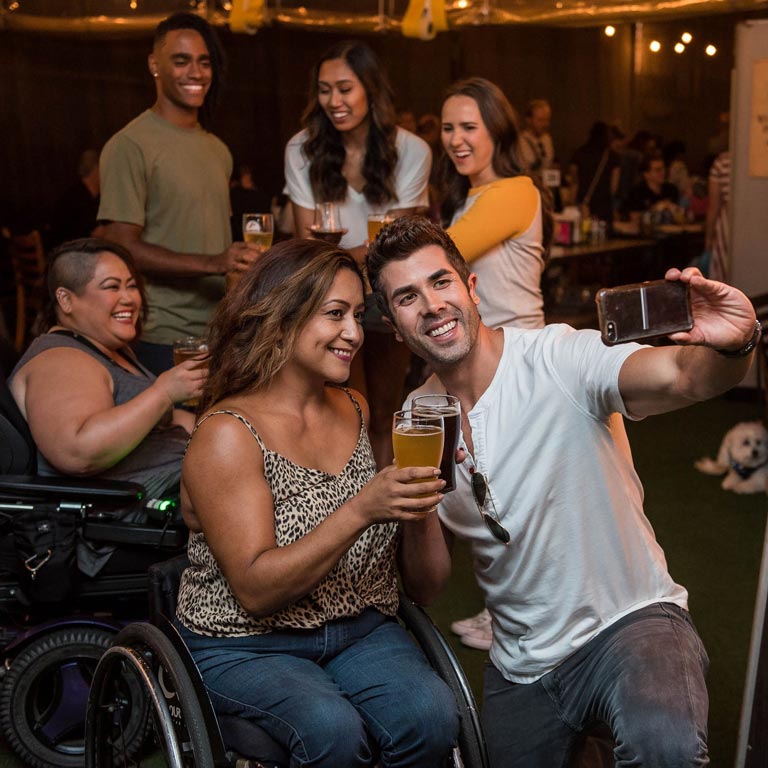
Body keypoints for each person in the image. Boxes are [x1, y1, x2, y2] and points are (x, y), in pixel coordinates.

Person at [367, 215, 760, 767]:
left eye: (440, 282)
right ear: (392, 321)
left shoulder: (557, 358)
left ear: (470, 287)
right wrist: (417, 505)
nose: (431, 305)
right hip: (523, 664)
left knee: (664, 747)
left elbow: (684, 376)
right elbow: (428, 585)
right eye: (407, 297)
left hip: (631, 622)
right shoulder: (416, 420)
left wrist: (735, 343)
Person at [176, 238, 458, 767]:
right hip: (247, 643)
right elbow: (256, 591)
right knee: (329, 728)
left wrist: (418, 509)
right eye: (334, 314)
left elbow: (427, 586)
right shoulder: (227, 434)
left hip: (360, 627)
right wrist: (362, 508)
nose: (354, 332)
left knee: (432, 714)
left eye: (357, 313)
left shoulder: (354, 406)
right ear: (283, 318)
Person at [8, 238, 205, 574]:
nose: (129, 298)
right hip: (122, 528)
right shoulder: (60, 358)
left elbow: (172, 422)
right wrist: (162, 391)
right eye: (111, 286)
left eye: (131, 285)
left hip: (171, 501)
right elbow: (77, 450)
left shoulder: (108, 350)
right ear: (66, 299)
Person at [284, 39, 431, 468]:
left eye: (345, 88)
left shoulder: (411, 150)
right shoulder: (302, 148)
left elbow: (397, 244)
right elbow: (305, 244)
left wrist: (342, 253)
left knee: (384, 414)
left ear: (370, 89)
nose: (333, 101)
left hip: (385, 296)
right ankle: (351, 512)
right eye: (324, 89)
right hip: (326, 298)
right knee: (347, 411)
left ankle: (389, 525)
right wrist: (355, 255)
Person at [98, 12, 260, 375]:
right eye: (181, 61)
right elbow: (121, 245)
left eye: (204, 62)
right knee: (176, 432)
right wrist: (214, 262)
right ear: (155, 65)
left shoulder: (217, 148)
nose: (196, 73)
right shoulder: (130, 144)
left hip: (223, 327)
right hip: (164, 335)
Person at [438, 77, 548, 331]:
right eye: (448, 128)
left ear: (497, 131)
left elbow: (436, 259)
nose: (455, 140)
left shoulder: (513, 191)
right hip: (484, 347)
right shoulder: (467, 194)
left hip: (517, 347)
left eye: (468, 127)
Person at [47, 149, 104, 248]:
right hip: (71, 255)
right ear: (97, 169)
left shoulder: (86, 195)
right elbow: (95, 234)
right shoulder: (77, 198)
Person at [568, 120, 620, 227]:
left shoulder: (578, 153)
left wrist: (571, 203)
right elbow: (613, 187)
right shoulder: (612, 156)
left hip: (582, 203)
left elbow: (574, 182)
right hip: (604, 204)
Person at [624, 152, 680, 224]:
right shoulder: (637, 191)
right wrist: (655, 209)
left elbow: (679, 215)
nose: (663, 172)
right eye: (658, 170)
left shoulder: (671, 189)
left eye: (663, 169)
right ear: (646, 174)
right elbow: (633, 217)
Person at [704, 150, 731, 282]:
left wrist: (708, 239)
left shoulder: (722, 162)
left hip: (727, 226)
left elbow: (714, 205)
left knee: (722, 281)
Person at [518, 99, 554, 173]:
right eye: (540, 120)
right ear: (528, 120)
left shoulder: (547, 139)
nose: (545, 124)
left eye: (547, 120)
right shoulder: (519, 142)